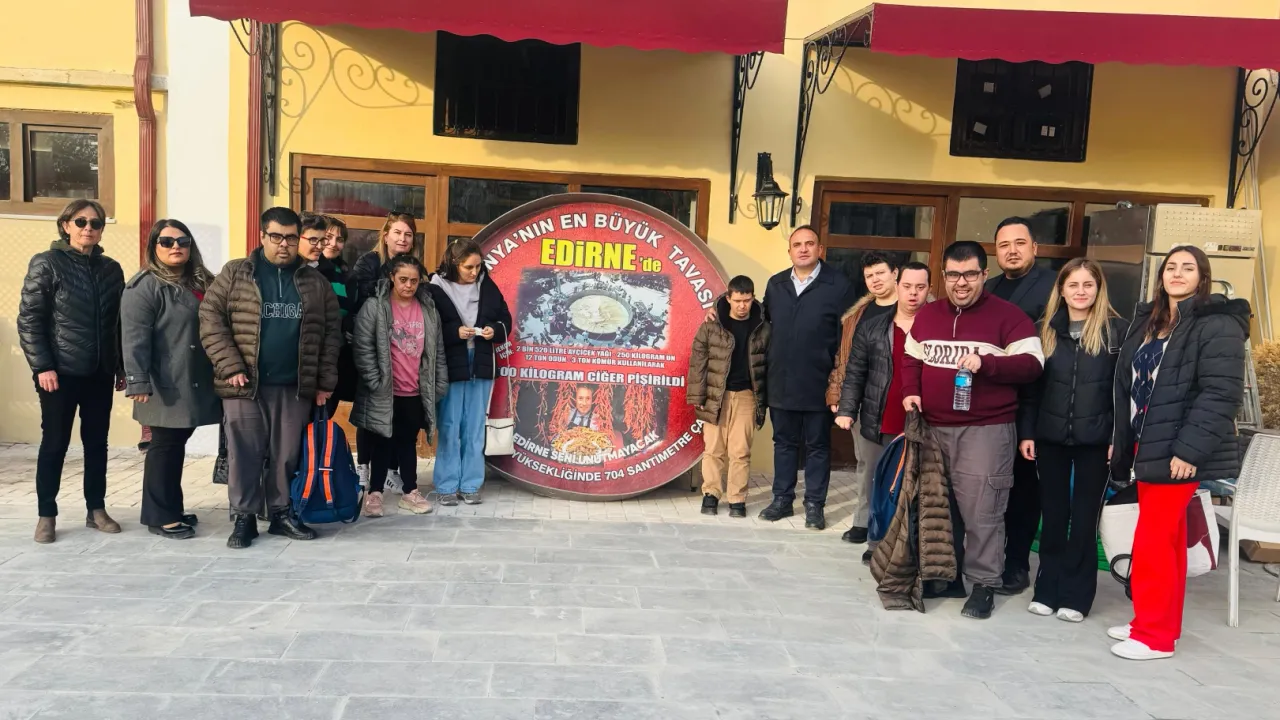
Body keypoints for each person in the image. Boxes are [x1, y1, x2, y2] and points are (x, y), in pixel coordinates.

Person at [1108, 246, 1247, 661]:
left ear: (1202, 276)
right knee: (1161, 540)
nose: (1178, 274)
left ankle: (1154, 638)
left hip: (1177, 451)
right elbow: (1129, 387)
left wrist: (1189, 451)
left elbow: (1220, 395)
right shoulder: (1151, 321)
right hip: (1146, 443)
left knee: (1155, 541)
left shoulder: (1216, 324)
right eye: (1171, 267)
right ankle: (1152, 621)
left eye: (1188, 268)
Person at [902, 241, 1044, 619]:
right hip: (933, 428)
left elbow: (1033, 365)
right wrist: (910, 392)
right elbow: (911, 360)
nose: (960, 282)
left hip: (985, 430)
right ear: (943, 276)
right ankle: (947, 576)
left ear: (984, 274)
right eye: (953, 274)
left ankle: (984, 584)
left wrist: (989, 364)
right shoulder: (928, 315)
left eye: (969, 274)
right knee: (939, 508)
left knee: (983, 510)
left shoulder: (1009, 317)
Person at [199, 206, 342, 548]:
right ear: (262, 236)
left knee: (286, 454)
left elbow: (331, 334)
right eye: (276, 236)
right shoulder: (236, 273)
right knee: (244, 452)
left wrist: (324, 382)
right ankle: (244, 517)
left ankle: (280, 513)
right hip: (245, 384)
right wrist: (230, 365)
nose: (284, 244)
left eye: (291, 238)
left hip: (295, 386)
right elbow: (210, 318)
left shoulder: (315, 282)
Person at [1017, 258, 1126, 622]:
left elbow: (1123, 391)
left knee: (1083, 520)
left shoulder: (1116, 332)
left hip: (1096, 441)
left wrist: (1117, 436)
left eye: (1087, 285)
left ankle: (1076, 597)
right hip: (1049, 438)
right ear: (1061, 290)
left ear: (1098, 289)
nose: (1080, 292)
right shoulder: (1044, 331)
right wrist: (1027, 432)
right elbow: (1031, 390)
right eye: (1073, 285)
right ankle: (1047, 590)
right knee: (1053, 515)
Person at [18, 199, 126, 544]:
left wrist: (121, 365)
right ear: (66, 225)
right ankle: (46, 515)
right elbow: (30, 319)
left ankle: (96, 509)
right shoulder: (46, 264)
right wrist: (43, 366)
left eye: (95, 223)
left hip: (99, 372)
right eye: (81, 222)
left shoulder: (111, 269)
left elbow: (119, 324)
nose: (88, 228)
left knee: (97, 444)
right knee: (55, 444)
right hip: (59, 374)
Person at [122, 219, 222, 539]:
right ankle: (159, 516)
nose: (175, 247)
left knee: (176, 444)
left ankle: (171, 508)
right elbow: (134, 337)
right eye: (166, 242)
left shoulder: (201, 280)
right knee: (164, 446)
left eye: (182, 241)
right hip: (163, 382)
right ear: (154, 247)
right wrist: (137, 380)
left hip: (193, 377)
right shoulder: (145, 286)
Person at [758, 225, 857, 530]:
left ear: (820, 249)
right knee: (784, 443)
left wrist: (839, 383)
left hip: (819, 383)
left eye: (809, 243)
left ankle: (815, 504)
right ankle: (782, 500)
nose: (803, 249)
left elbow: (848, 338)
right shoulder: (776, 284)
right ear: (789, 251)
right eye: (797, 244)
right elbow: (759, 323)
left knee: (818, 446)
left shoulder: (839, 285)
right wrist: (719, 309)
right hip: (781, 381)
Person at [835, 261, 930, 560]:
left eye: (920, 287)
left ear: (929, 288)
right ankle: (876, 544)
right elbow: (855, 372)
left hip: (924, 422)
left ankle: (908, 546)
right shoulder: (873, 327)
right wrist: (847, 409)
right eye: (907, 287)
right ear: (897, 285)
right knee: (877, 482)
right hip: (879, 417)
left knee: (916, 485)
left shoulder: (939, 326)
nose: (913, 293)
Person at [984, 217, 1057, 595]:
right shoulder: (988, 289)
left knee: (1024, 490)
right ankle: (987, 559)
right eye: (1003, 245)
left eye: (1019, 243)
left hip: (1038, 400)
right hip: (991, 401)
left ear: (1035, 248)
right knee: (991, 488)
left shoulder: (1055, 286)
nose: (1011, 251)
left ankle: (1016, 564)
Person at [352, 255, 448, 517]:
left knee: (407, 442)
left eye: (414, 281)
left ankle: (410, 492)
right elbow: (363, 347)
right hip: (385, 390)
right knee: (381, 442)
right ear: (391, 277)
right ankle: (375, 494)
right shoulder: (375, 306)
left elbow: (437, 351)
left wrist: (438, 384)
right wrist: (375, 380)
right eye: (403, 279)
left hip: (415, 390)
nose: (408, 285)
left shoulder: (427, 309)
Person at [429, 239, 512, 506]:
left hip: (481, 361)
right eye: (468, 267)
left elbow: (505, 320)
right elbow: (428, 326)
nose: (474, 272)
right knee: (450, 425)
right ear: (454, 264)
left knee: (475, 426)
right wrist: (454, 332)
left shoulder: (487, 285)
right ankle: (446, 485)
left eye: (478, 266)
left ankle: (471, 484)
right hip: (452, 362)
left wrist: (493, 330)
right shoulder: (435, 287)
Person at [687, 275, 770, 519]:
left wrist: (765, 398)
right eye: (737, 301)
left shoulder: (763, 327)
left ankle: (737, 499)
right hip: (716, 395)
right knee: (713, 448)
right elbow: (698, 362)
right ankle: (711, 494)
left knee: (740, 450)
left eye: (747, 300)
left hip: (746, 396)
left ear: (753, 298)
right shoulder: (712, 325)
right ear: (728, 298)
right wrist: (698, 395)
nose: (742, 306)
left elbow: (769, 364)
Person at [347, 212, 420, 488]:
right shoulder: (369, 261)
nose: (402, 239)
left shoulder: (413, 267)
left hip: (401, 351)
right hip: (373, 348)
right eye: (397, 233)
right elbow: (360, 294)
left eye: (408, 234)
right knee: (370, 414)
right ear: (386, 235)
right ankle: (364, 467)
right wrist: (390, 282)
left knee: (399, 417)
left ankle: (391, 470)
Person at [298, 213, 356, 415]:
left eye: (339, 239)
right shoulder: (305, 270)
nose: (332, 244)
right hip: (302, 360)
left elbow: (344, 315)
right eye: (327, 238)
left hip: (331, 357)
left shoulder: (346, 275)